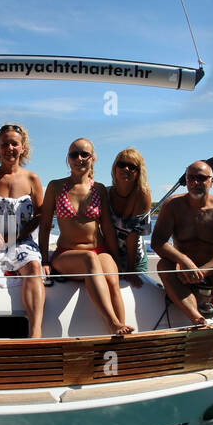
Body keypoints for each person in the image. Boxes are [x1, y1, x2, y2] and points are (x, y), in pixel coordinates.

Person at [45, 137, 136, 337]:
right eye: (74, 154)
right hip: (67, 254)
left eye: (84, 154)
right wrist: (44, 260)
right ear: (67, 159)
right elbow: (44, 227)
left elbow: (107, 228)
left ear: (93, 158)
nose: (79, 158)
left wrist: (116, 259)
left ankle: (122, 335)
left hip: (99, 249)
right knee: (89, 259)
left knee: (112, 279)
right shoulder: (55, 187)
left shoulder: (99, 189)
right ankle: (113, 323)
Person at [153, 159, 213, 352]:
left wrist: (202, 271)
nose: (195, 182)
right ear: (186, 181)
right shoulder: (173, 206)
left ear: (211, 181)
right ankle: (196, 317)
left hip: (212, 273)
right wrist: (184, 261)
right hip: (184, 273)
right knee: (163, 265)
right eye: (190, 178)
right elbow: (158, 242)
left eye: (200, 178)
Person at [0, 124, 50, 332]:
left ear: (23, 148)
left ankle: (36, 332)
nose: (10, 148)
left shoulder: (32, 179)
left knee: (33, 267)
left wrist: (20, 235)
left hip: (21, 239)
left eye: (14, 144)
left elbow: (41, 215)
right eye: (5, 144)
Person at [105, 147, 155, 290]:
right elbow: (107, 231)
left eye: (132, 166)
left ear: (138, 172)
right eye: (121, 164)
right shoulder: (105, 193)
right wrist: (115, 261)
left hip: (135, 258)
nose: (125, 168)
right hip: (110, 254)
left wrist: (130, 270)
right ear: (115, 168)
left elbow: (133, 235)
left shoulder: (143, 195)